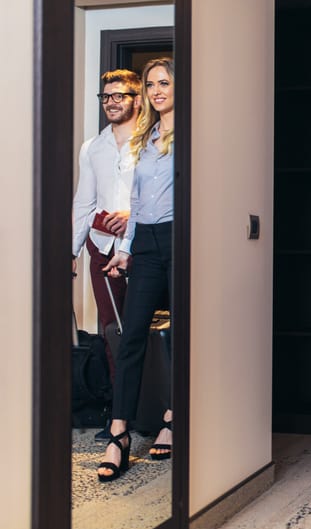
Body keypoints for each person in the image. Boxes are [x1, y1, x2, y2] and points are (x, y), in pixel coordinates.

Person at [97, 57, 175, 482]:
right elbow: (139, 200)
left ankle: (171, 417)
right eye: (150, 85)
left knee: (183, 335)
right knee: (132, 339)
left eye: (164, 82)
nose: (157, 90)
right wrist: (125, 249)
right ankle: (120, 433)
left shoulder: (191, 135)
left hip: (182, 239)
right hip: (145, 243)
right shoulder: (144, 139)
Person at [72, 70, 141, 441]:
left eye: (120, 95)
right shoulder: (91, 148)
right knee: (111, 329)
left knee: (141, 326)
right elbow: (84, 201)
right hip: (100, 247)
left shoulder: (152, 140)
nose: (112, 101)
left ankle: (150, 406)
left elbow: (162, 196)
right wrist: (69, 251)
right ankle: (118, 412)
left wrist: (131, 217)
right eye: (106, 96)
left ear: (137, 99)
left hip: (143, 246)